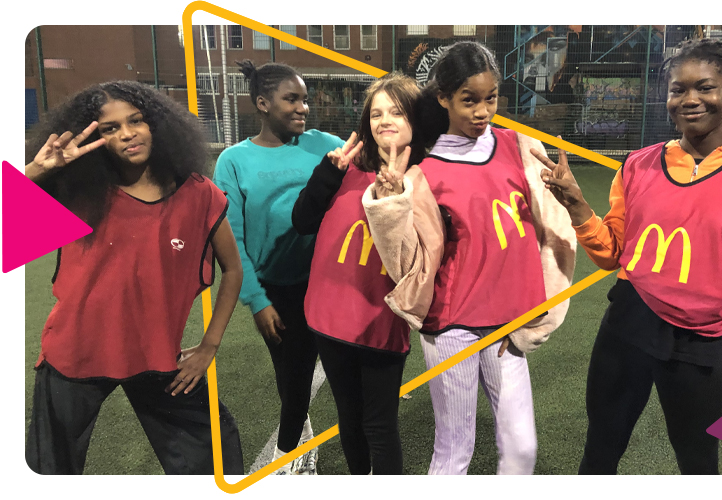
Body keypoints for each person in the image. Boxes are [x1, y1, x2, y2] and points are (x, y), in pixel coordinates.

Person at [531, 38, 722, 475]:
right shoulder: (638, 165)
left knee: (700, 465)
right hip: (627, 328)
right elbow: (611, 255)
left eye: (705, 87)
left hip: (698, 344)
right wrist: (577, 206)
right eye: (678, 89)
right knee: (600, 452)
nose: (690, 99)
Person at [24, 80, 244, 475]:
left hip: (157, 356)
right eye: (110, 128)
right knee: (47, 469)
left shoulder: (200, 195)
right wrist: (36, 173)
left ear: (156, 123)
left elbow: (233, 269)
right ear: (94, 136)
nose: (127, 133)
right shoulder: (74, 191)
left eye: (136, 120)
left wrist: (210, 345)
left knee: (216, 456)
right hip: (74, 355)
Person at [413, 41, 577, 475]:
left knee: (522, 449)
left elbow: (550, 225)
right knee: (453, 454)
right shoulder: (425, 168)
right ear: (444, 98)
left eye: (491, 98)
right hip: (453, 325)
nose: (483, 110)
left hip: (508, 325)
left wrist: (564, 193)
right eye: (469, 100)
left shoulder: (517, 146)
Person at [292, 73, 444, 475]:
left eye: (396, 110)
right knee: (350, 421)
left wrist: (397, 197)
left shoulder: (428, 177)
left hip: (380, 321)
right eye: (376, 112)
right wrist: (328, 173)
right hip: (328, 316)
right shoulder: (346, 167)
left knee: (379, 425)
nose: (384, 120)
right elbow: (303, 221)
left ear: (415, 117)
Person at [212, 60, 345, 475]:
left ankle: (293, 454)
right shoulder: (233, 161)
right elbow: (231, 240)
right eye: (292, 99)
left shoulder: (324, 144)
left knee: (323, 375)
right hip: (275, 292)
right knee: (291, 379)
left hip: (327, 284)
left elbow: (372, 160)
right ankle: (294, 448)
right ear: (263, 103)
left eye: (305, 99)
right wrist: (257, 300)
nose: (303, 107)